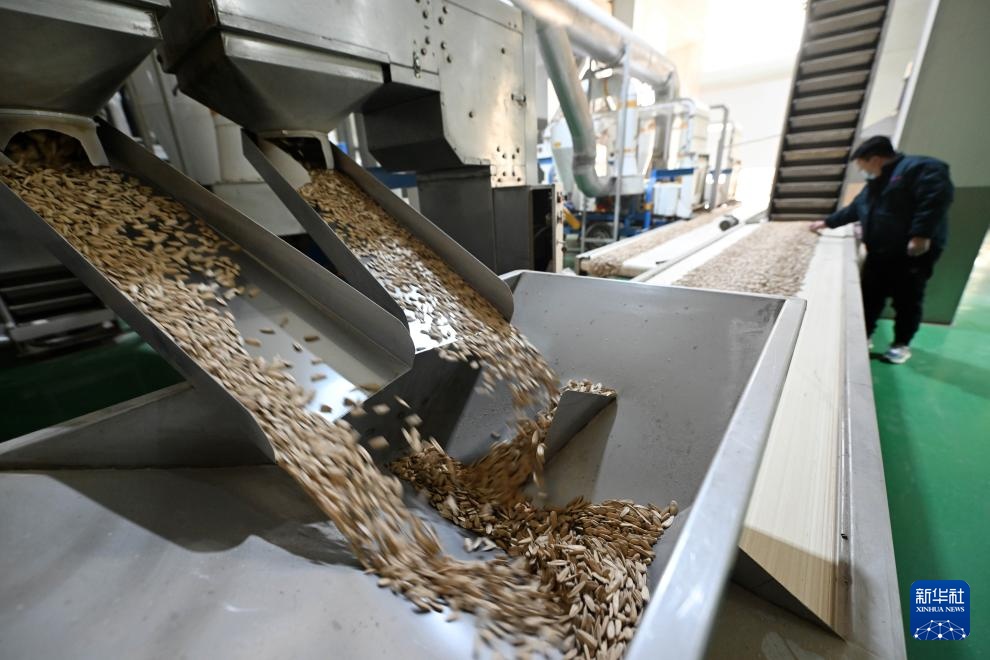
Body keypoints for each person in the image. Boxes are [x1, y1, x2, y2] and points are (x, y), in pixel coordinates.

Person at [810, 136, 954, 364]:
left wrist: (921, 234)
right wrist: (826, 222)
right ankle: (863, 336)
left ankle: (901, 344)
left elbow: (934, 201)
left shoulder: (920, 168)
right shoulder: (876, 183)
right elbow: (854, 209)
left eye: (862, 166)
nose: (863, 171)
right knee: (870, 296)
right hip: (880, 251)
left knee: (907, 300)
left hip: (910, 254)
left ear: (875, 159)